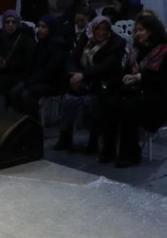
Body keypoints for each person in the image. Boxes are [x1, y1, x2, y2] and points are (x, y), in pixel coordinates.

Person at [100, 13, 167, 167]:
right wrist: (126, 78)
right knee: (110, 103)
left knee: (129, 106)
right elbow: (126, 72)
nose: (137, 33)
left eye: (141, 30)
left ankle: (129, 153)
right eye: (136, 30)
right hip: (136, 93)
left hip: (157, 98)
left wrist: (140, 77)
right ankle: (109, 149)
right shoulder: (136, 49)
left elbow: (165, 79)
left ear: (152, 30)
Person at [54, 15, 125, 153]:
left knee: (90, 101)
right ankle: (65, 137)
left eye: (105, 29)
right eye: (98, 29)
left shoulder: (116, 43)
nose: (101, 32)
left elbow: (106, 66)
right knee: (67, 99)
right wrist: (73, 75)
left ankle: (94, 140)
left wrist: (83, 75)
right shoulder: (86, 38)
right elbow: (72, 58)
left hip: (103, 82)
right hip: (83, 80)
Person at [7, 14, 72, 117]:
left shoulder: (58, 47)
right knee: (15, 91)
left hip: (54, 83)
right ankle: (20, 119)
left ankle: (33, 122)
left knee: (27, 94)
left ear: (51, 28)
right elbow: (34, 64)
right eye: (39, 26)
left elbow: (49, 71)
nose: (40, 29)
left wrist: (30, 81)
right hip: (39, 79)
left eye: (43, 27)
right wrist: (28, 79)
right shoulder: (42, 43)